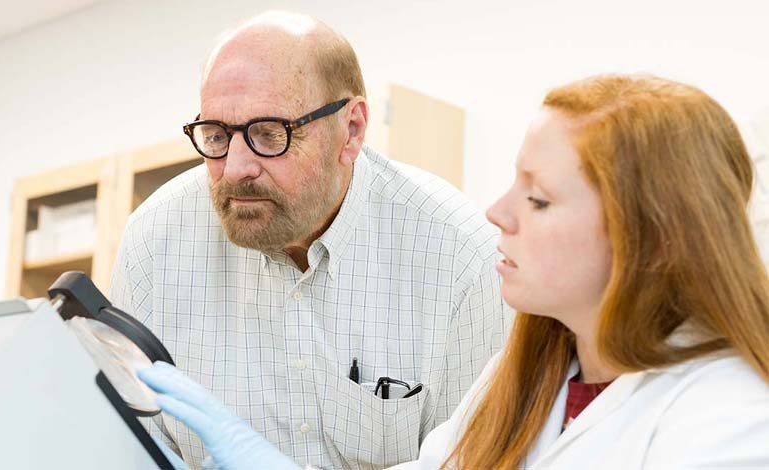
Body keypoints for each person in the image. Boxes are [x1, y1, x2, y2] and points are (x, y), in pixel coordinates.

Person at [140, 74, 769, 469]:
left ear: (651, 234)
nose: (498, 213)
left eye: (539, 198)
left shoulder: (731, 418)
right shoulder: (534, 371)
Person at [112, 11, 507, 469]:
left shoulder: (459, 256)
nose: (236, 167)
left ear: (351, 129)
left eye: (268, 133)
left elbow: (481, 461)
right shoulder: (153, 245)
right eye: (217, 136)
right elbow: (132, 445)